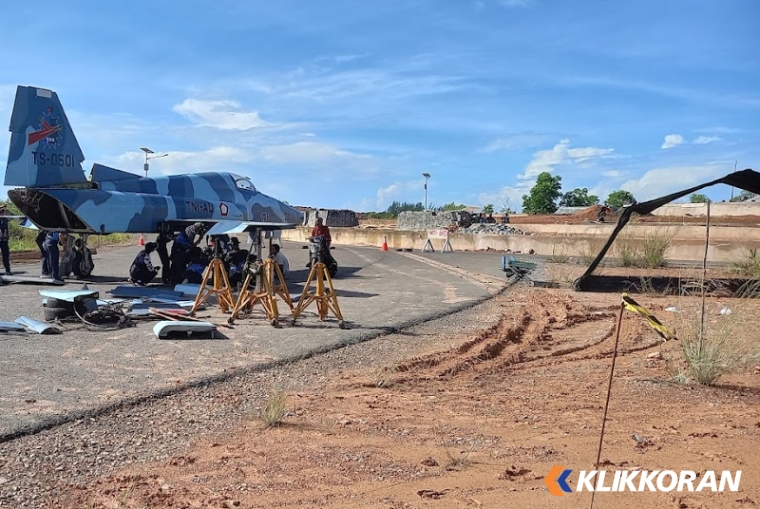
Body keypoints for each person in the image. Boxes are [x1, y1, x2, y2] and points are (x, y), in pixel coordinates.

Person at [0, 206, 11, 275]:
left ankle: (8, 270)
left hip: (4, 240)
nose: (2, 213)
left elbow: (12, 215)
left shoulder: (5, 219)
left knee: (6, 256)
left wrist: (6, 210)